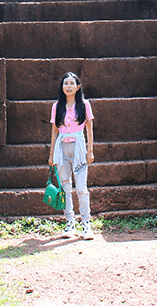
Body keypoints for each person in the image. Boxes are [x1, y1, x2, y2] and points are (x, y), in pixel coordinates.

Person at [48, 71, 95, 239]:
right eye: (66, 83)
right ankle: (70, 223)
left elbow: (89, 128)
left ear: (78, 87)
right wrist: (52, 153)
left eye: (71, 83)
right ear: (62, 87)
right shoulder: (56, 106)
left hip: (79, 148)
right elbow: (54, 130)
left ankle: (86, 224)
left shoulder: (84, 105)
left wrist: (90, 150)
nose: (69, 86)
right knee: (65, 187)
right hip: (62, 148)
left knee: (81, 188)